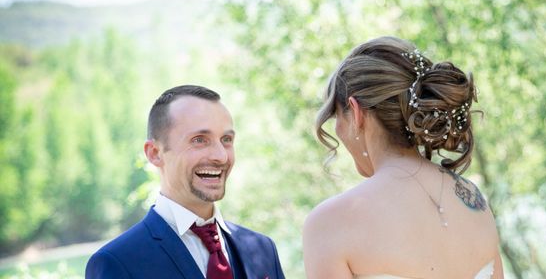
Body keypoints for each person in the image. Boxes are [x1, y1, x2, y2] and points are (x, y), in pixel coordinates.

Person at [303, 37, 503, 279]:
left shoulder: (329, 223)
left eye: (337, 117)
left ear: (356, 113)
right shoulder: (473, 198)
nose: (338, 130)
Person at [86, 85, 285, 279]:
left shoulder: (263, 248)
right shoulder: (117, 262)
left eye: (226, 139)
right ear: (155, 153)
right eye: (199, 140)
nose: (221, 156)